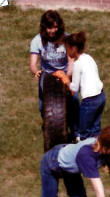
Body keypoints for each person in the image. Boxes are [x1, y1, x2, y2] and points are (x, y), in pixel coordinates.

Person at [30, 10, 79, 138]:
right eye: (50, 27)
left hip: (64, 73)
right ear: (44, 27)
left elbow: (71, 61)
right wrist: (36, 72)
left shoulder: (66, 39)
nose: (53, 31)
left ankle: (76, 132)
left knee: (73, 100)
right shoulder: (37, 41)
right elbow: (33, 64)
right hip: (47, 75)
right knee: (43, 105)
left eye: (55, 27)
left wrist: (68, 76)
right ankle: (51, 129)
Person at [54, 31, 106, 141]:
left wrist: (65, 80)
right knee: (96, 129)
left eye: (67, 49)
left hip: (90, 101)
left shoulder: (77, 64)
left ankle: (83, 153)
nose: (67, 53)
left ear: (73, 49)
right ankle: (98, 151)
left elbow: (74, 88)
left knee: (84, 132)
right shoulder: (89, 58)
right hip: (101, 96)